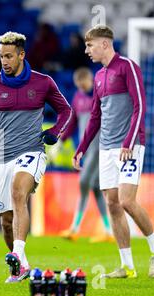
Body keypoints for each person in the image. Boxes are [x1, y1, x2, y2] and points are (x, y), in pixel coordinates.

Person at [0, 31, 72, 283]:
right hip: (2, 157)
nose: (4, 61)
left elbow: (66, 111)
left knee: (18, 193)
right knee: (6, 220)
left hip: (31, 151)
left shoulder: (43, 82)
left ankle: (18, 253)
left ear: (22, 55)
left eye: (9, 56)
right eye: (1, 56)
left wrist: (55, 131)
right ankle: (19, 268)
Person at [73, 25, 154, 279]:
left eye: (89, 45)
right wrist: (81, 148)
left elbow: (140, 106)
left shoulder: (127, 67)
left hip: (130, 146)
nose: (86, 50)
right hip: (106, 149)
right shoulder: (99, 77)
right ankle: (127, 266)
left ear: (104, 44)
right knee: (113, 204)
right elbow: (95, 116)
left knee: (126, 200)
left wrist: (128, 142)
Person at [56, 67, 113, 243]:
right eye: (79, 85)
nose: (82, 87)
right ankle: (108, 231)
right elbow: (73, 120)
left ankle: (75, 228)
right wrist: (62, 139)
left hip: (98, 146)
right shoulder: (78, 97)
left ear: (90, 81)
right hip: (85, 147)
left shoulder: (100, 96)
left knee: (83, 182)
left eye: (84, 83)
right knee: (95, 187)